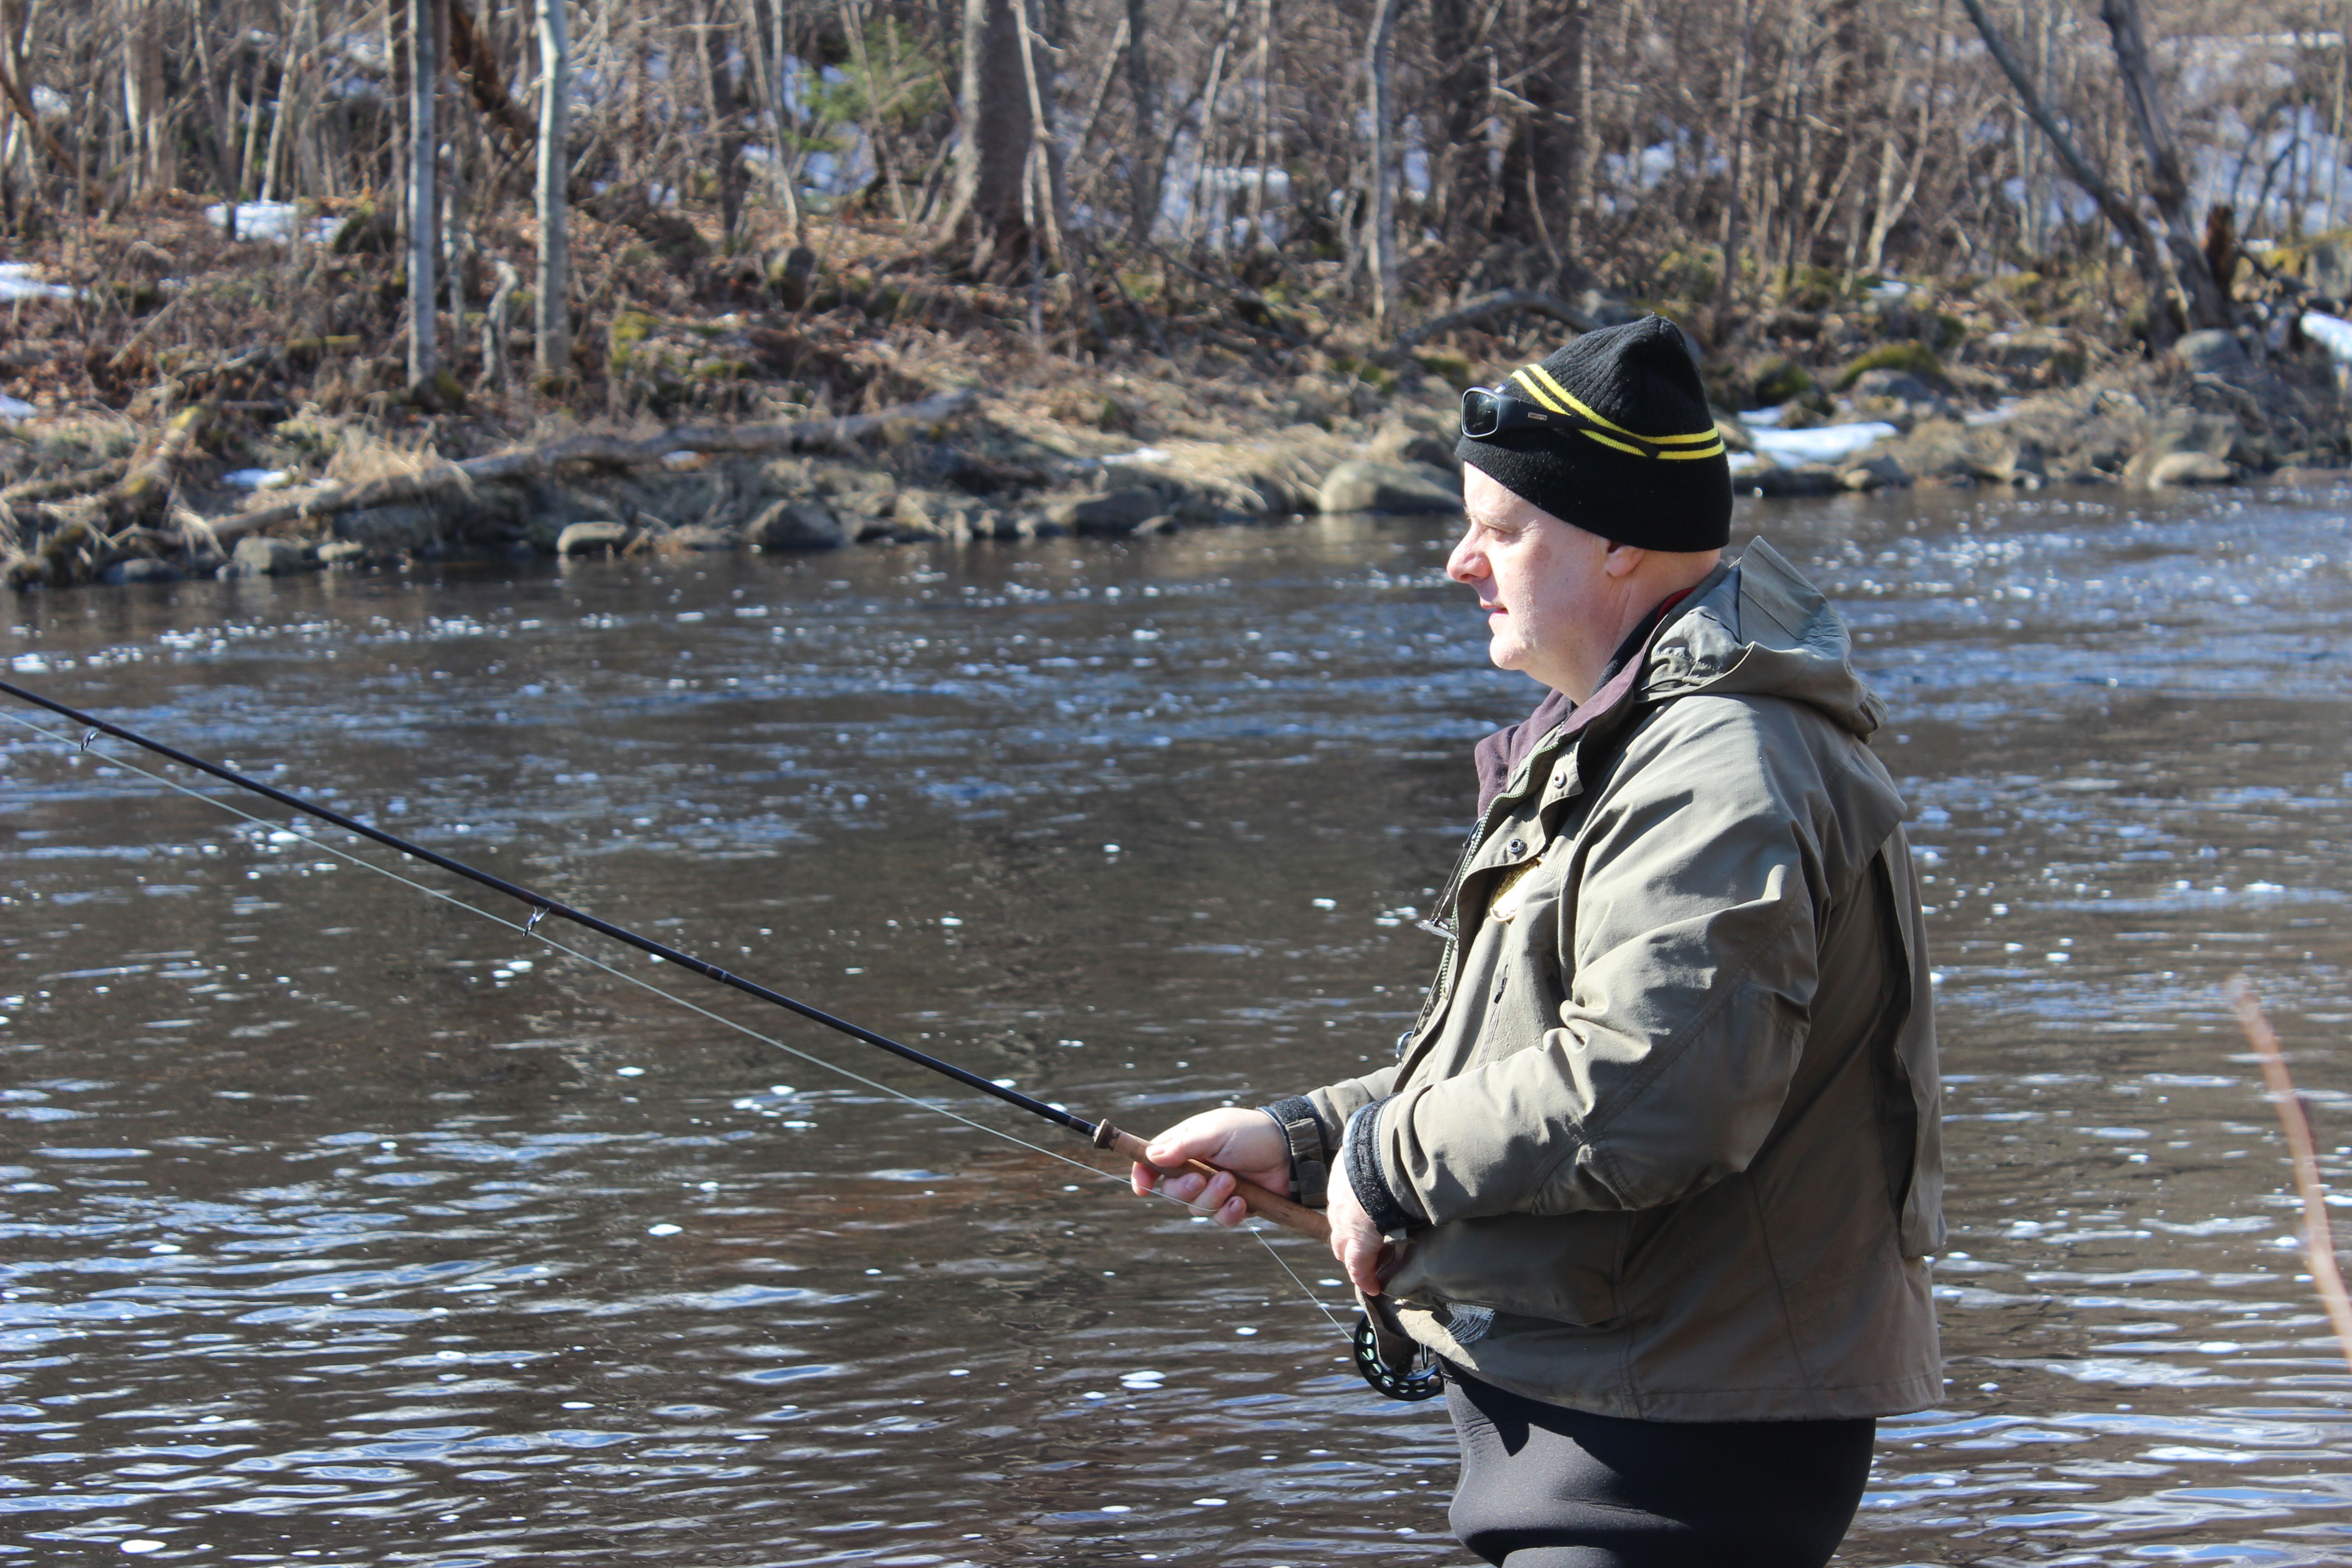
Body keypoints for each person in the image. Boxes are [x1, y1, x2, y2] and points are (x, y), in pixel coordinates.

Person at [1132, 315, 1944, 1568]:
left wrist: (1386, 1166)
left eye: (1501, 530)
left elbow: (1657, 1089)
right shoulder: (1623, 740)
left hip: (1676, 1450)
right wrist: (1306, 1141)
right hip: (1610, 1420)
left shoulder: (1719, 768)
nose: (1462, 564)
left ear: (1619, 542)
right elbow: (1534, 1050)